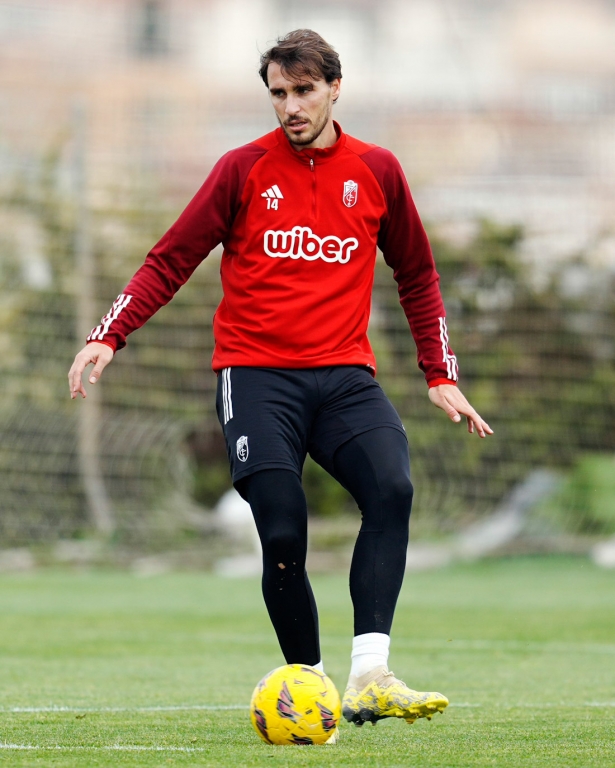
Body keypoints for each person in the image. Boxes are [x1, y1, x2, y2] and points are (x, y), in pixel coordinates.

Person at [68, 29, 492, 732]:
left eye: (302, 91)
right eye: (277, 94)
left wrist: (437, 373)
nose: (290, 106)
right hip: (256, 377)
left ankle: (370, 675)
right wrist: (107, 334)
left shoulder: (377, 171)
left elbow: (416, 273)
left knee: (391, 487)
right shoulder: (241, 170)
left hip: (344, 379)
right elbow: (169, 259)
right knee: (284, 528)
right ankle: (307, 687)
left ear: (333, 88)